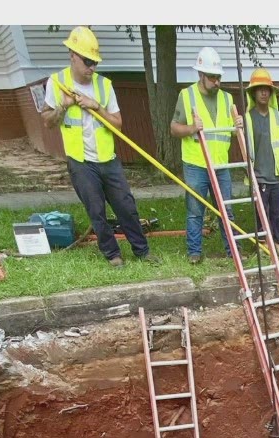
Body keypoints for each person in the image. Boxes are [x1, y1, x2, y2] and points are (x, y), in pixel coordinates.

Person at [36, 27, 152, 268]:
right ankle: (113, 255)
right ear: (72, 55)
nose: (91, 67)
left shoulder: (104, 85)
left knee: (126, 207)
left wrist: (96, 106)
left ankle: (142, 251)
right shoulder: (57, 83)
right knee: (96, 212)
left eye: (95, 62)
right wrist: (64, 106)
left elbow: (117, 124)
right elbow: (47, 122)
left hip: (108, 160)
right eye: (87, 61)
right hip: (80, 162)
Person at [171, 47, 247, 266]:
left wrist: (238, 124)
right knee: (195, 210)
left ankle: (232, 249)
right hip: (196, 164)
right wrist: (192, 128)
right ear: (200, 75)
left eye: (218, 77)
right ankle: (194, 252)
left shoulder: (227, 99)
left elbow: (231, 128)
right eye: (212, 77)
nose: (217, 82)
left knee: (226, 209)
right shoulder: (187, 96)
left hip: (221, 164)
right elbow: (174, 129)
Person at [242, 69, 279, 244]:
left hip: (276, 175)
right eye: (259, 89)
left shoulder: (277, 116)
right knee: (260, 213)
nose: (263, 92)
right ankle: (263, 246)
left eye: (266, 89)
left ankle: (278, 243)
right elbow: (243, 147)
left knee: (278, 213)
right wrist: (247, 168)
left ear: (271, 92)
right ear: (253, 93)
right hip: (258, 175)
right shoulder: (247, 118)